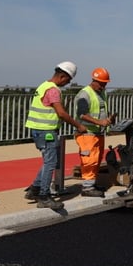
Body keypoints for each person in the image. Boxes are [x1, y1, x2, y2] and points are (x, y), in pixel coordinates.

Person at [24, 62, 88, 209]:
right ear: (62, 76)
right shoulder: (53, 90)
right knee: (51, 163)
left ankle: (35, 189)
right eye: (68, 80)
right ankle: (44, 197)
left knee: (49, 160)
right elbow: (61, 113)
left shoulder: (43, 86)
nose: (68, 83)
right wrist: (78, 125)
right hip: (46, 131)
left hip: (38, 130)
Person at [74, 67, 115, 197]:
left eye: (105, 83)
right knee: (89, 160)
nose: (103, 86)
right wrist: (100, 122)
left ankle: (92, 183)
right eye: (102, 83)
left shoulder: (102, 93)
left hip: (97, 133)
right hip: (86, 133)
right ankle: (87, 187)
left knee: (96, 159)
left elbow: (101, 109)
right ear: (94, 81)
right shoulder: (84, 94)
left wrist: (108, 119)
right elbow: (82, 114)